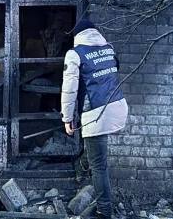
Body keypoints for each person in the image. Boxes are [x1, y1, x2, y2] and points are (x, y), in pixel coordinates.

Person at [61, 19, 128, 219]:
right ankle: (81, 169)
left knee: (99, 166)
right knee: (95, 151)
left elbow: (69, 89)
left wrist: (67, 117)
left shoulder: (75, 54)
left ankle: (104, 211)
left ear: (77, 36)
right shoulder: (109, 49)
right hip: (117, 105)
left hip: (96, 114)